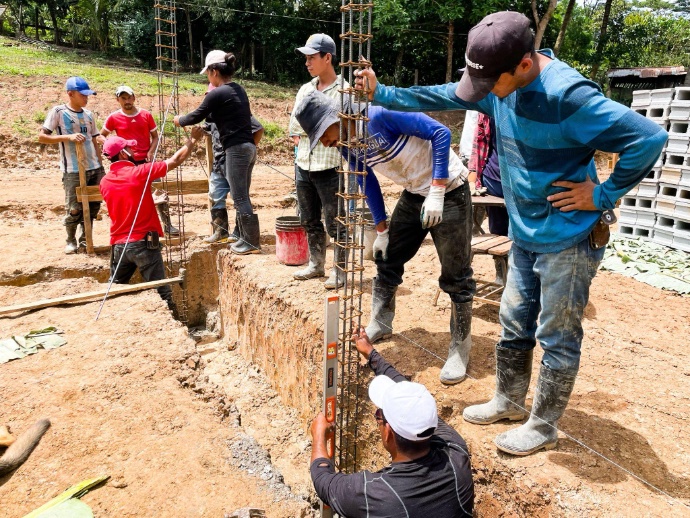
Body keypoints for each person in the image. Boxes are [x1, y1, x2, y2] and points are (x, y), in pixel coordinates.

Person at [356, 11, 667, 455]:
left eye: (489, 85)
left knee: (557, 335)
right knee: (513, 322)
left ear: (523, 66)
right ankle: (506, 399)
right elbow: (448, 93)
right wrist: (383, 92)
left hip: (568, 238)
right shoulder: (496, 85)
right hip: (524, 233)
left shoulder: (569, 96)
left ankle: (543, 425)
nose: (482, 96)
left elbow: (649, 138)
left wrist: (602, 195)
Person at [295, 91, 476, 384]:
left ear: (336, 119)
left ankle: (460, 346)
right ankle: (381, 320)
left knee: (456, 273)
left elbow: (441, 133)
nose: (325, 142)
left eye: (322, 135)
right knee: (387, 255)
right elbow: (366, 180)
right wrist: (381, 230)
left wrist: (438, 189)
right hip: (415, 193)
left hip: (450, 191)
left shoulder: (380, 115)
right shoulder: (346, 144)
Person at [309, 328, 474, 517]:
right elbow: (406, 392)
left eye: (379, 415)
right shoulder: (456, 453)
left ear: (388, 432)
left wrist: (319, 436)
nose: (377, 417)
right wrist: (371, 354)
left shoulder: (376, 495)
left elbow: (324, 481)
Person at [99, 126, 205, 310]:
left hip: (119, 244)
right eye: (129, 148)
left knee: (114, 289)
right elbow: (174, 161)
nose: (134, 151)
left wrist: (150, 200)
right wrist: (193, 140)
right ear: (123, 154)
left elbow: (125, 202)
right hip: (144, 242)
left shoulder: (104, 181)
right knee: (162, 291)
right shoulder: (138, 173)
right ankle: (173, 323)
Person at [174, 51, 260, 255]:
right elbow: (219, 117)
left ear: (214, 71)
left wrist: (179, 120)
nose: (207, 77)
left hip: (236, 150)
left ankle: (251, 242)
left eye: (208, 73)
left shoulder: (217, 93)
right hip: (248, 147)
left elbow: (196, 115)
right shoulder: (237, 89)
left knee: (239, 198)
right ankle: (242, 237)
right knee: (242, 196)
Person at [288, 34, 350, 289]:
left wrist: (313, 129)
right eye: (306, 58)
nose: (307, 62)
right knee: (309, 218)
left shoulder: (345, 92)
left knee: (336, 221)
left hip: (330, 165)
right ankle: (316, 264)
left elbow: (345, 131)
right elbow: (294, 128)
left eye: (312, 57)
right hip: (304, 163)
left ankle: (341, 270)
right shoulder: (305, 89)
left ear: (327, 57)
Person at [100, 85, 179, 236]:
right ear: (118, 100)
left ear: (134, 98)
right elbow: (101, 135)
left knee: (159, 190)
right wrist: (113, 144)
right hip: (127, 162)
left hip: (147, 160)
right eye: (123, 98)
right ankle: (133, 226)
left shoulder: (145, 115)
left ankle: (167, 225)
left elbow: (155, 136)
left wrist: (151, 151)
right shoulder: (113, 117)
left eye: (129, 97)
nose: (127, 101)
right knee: (132, 195)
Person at [38, 76, 105, 254]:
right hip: (73, 170)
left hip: (94, 168)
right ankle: (70, 240)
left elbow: (94, 139)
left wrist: (101, 165)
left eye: (87, 95)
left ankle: (86, 240)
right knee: (74, 208)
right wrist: (68, 137)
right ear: (70, 94)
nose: (86, 98)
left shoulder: (89, 114)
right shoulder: (59, 112)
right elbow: (42, 137)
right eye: (82, 95)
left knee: (93, 207)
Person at [204, 83, 265, 244]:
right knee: (215, 194)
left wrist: (245, 151)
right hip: (219, 162)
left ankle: (240, 233)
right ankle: (220, 231)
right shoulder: (211, 118)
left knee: (239, 197)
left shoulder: (236, 113)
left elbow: (259, 129)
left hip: (235, 160)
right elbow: (205, 131)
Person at [469, 113, 509, 284]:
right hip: (494, 179)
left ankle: (524, 277)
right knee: (498, 227)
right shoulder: (487, 107)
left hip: (525, 182)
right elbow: (480, 141)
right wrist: (472, 177)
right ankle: (502, 272)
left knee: (523, 232)